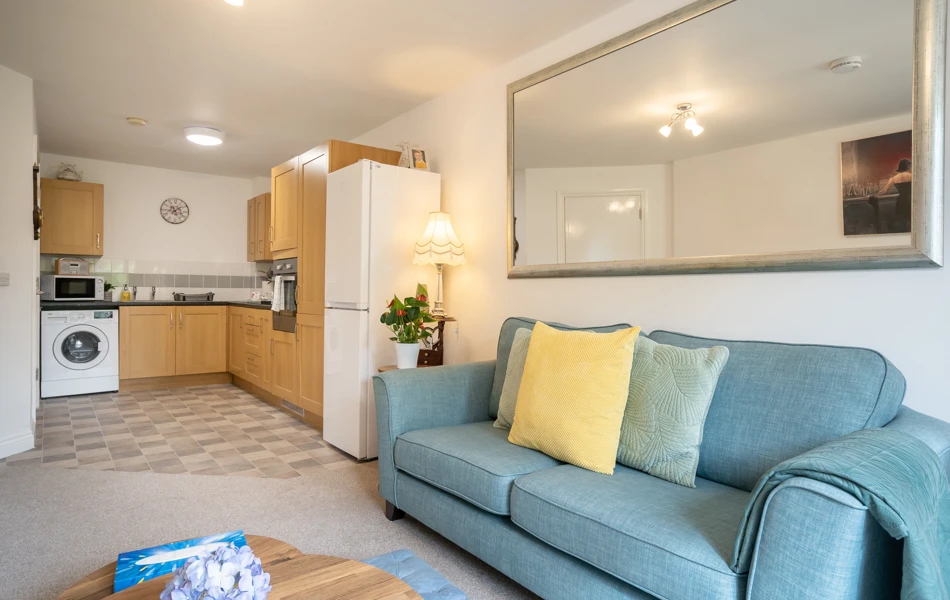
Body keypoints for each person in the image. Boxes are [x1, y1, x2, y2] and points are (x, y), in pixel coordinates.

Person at [870, 158, 912, 233]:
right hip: (911, 200)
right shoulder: (912, 176)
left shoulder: (893, 179)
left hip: (901, 201)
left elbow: (884, 191)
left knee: (902, 221)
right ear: (907, 167)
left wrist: (874, 195)